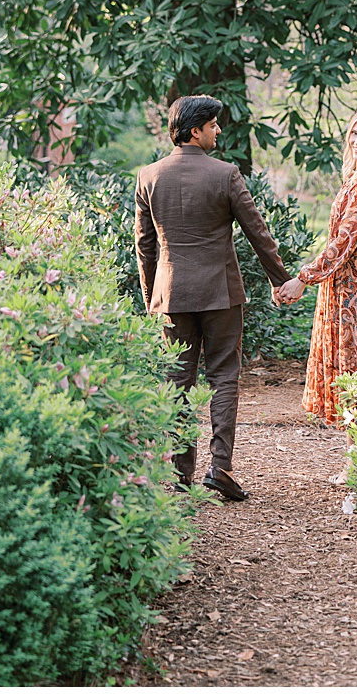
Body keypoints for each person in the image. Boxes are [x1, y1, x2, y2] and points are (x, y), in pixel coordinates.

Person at [136, 94, 296, 502]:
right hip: (221, 293)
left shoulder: (149, 176)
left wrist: (151, 297)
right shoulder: (226, 175)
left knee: (177, 380)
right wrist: (281, 280)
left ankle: (177, 475)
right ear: (195, 130)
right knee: (223, 376)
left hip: (170, 295)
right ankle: (220, 468)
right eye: (213, 125)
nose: (218, 131)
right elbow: (258, 233)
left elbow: (145, 245)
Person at [275, 108, 357, 425]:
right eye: (354, 133)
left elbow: (346, 238)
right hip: (343, 277)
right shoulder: (356, 177)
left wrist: (304, 277)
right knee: (347, 365)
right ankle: (356, 458)